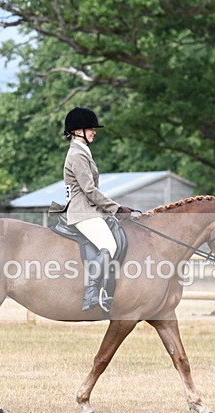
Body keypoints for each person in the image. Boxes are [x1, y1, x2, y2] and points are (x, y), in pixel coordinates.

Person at [61, 107, 133, 312]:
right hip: (82, 211)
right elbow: (89, 189)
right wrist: (116, 208)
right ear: (77, 131)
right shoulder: (76, 154)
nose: (94, 131)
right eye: (90, 128)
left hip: (91, 210)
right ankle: (91, 293)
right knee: (108, 245)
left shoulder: (83, 151)